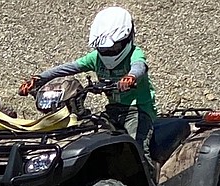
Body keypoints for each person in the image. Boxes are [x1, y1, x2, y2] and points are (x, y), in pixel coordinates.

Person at [18, 6, 157, 167]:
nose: (109, 51)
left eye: (114, 47)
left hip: (138, 110)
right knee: (88, 134)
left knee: (137, 147)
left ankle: (149, 183)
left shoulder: (135, 53)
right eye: (104, 48)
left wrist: (131, 77)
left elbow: (139, 66)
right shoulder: (96, 58)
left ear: (127, 38)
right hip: (113, 110)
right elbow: (68, 68)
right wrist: (39, 78)